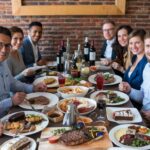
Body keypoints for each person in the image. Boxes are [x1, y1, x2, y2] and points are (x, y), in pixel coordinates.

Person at [0, 26, 47, 118]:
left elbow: (13, 83)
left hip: (10, 112)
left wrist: (33, 88)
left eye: (7, 45)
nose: (4, 50)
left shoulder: (3, 62)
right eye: (0, 44)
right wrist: (11, 101)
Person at [119, 35, 150, 126]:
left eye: (137, 42)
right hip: (142, 114)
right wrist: (130, 90)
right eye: (148, 46)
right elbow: (144, 96)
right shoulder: (147, 68)